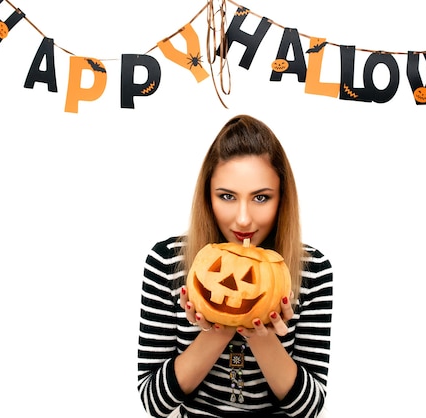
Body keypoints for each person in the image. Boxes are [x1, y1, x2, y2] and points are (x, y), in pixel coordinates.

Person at [137, 115, 333, 417]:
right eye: (227, 196)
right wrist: (217, 330)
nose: (243, 219)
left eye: (261, 197)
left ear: (282, 199)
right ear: (207, 196)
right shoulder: (167, 261)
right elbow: (154, 403)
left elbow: (309, 409)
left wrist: (261, 337)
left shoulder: (312, 270)